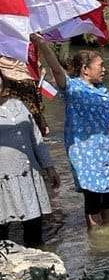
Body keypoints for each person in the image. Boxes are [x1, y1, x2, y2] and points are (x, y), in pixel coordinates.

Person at [33, 37, 109, 228]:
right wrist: (42, 44)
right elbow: (56, 69)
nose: (104, 69)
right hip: (87, 156)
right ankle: (98, 245)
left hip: (106, 155)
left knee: (108, 197)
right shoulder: (73, 88)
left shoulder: (102, 89)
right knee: (93, 201)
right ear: (85, 69)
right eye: (100, 66)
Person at [0, 65, 57, 247]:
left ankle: (38, 270)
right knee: (2, 236)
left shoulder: (17, 104)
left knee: (34, 231)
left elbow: (36, 138)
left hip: (29, 174)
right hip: (3, 180)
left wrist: (49, 167)